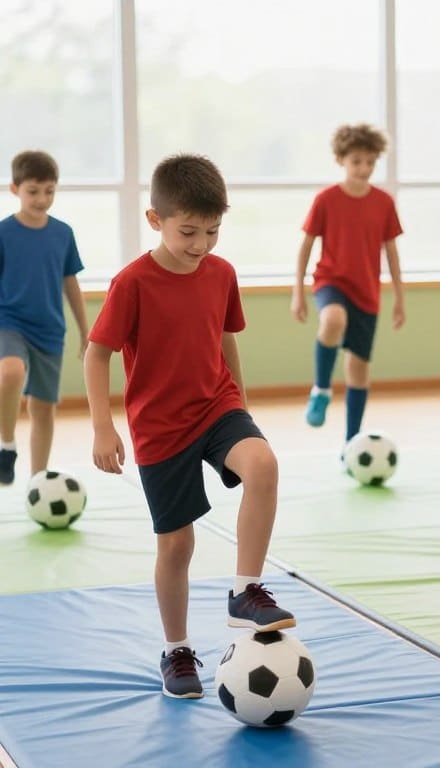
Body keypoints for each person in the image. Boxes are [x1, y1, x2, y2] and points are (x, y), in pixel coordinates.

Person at [85, 154, 295, 700]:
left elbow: (227, 339)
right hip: (160, 427)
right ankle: (176, 649)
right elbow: (95, 353)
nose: (202, 244)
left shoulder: (222, 274)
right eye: (188, 232)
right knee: (177, 544)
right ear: (156, 220)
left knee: (264, 465)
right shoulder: (132, 282)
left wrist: (242, 405)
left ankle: (245, 591)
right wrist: (103, 428)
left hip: (216, 406)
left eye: (212, 231)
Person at [291, 123, 405, 446]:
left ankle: (351, 443)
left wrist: (399, 298)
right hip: (331, 281)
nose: (364, 168)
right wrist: (298, 292)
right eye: (357, 161)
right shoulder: (326, 199)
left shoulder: (383, 203)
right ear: (341, 160)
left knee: (358, 370)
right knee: (333, 319)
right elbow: (306, 246)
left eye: (370, 162)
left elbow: (392, 252)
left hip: (367, 292)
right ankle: (322, 389)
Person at [0, 150, 88, 485]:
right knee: (9, 371)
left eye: (49, 191)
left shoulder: (63, 233)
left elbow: (70, 282)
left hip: (50, 329)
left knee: (42, 409)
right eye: (33, 191)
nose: (42, 199)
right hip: (9, 322)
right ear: (15, 189)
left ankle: (37, 481)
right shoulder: (3, 233)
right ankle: (6, 446)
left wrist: (85, 330)